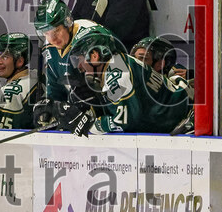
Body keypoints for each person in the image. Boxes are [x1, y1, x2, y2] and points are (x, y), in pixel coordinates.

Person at [57, 24, 190, 134]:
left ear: (94, 55)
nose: (79, 67)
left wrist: (91, 124)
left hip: (185, 114)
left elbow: (125, 121)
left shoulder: (117, 73)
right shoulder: (117, 64)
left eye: (79, 59)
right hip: (177, 111)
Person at [32, 0, 97, 104]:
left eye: (56, 31)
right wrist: (51, 107)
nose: (52, 39)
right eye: (46, 33)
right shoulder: (50, 48)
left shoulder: (91, 37)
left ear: (68, 22)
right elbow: (55, 90)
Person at [0, 32, 42, 129]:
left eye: (5, 57)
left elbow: (4, 137)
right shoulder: (37, 75)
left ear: (20, 61)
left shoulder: (10, 93)